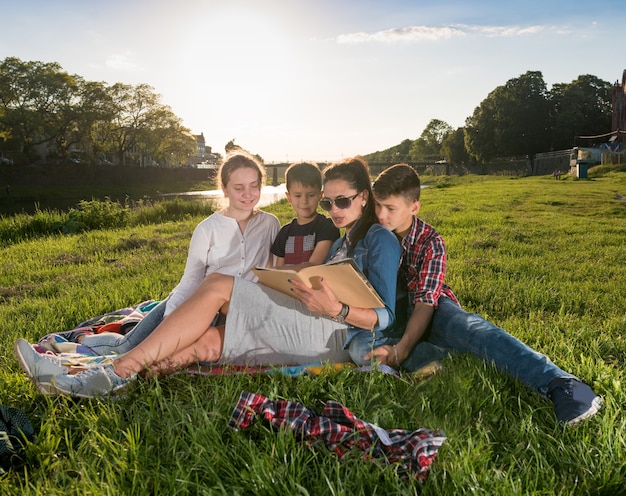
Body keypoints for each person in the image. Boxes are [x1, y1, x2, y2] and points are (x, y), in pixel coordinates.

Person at [47, 157, 401, 398]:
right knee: (206, 344)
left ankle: (119, 371)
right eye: (328, 204)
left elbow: (384, 317)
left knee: (218, 283)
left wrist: (336, 308)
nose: (333, 210)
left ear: (364, 197)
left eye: (342, 202)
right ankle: (134, 380)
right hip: (311, 321)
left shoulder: (379, 239)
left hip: (334, 335)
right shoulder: (345, 240)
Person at [355, 163, 602, 426]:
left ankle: (564, 384)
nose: (381, 215)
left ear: (414, 207)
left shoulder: (431, 242)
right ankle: (440, 361)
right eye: (377, 206)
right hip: (389, 313)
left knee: (471, 329)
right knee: (369, 346)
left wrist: (402, 350)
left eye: (390, 208)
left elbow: (426, 302)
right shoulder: (370, 232)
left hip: (430, 306)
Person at [14, 150, 280, 392]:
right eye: (239, 187)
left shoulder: (270, 224)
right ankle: (61, 356)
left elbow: (272, 271)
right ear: (224, 189)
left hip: (225, 313)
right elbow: (190, 280)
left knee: (148, 355)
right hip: (191, 303)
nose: (248, 194)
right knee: (127, 346)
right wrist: (174, 315)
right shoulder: (207, 228)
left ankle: (74, 374)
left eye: (254, 186)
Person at [271, 162, 340, 268]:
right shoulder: (284, 232)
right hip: (286, 284)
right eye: (298, 195)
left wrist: (280, 272)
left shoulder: (327, 226)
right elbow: (279, 267)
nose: (304, 201)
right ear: (289, 197)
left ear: (320, 196)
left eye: (311, 195)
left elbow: (314, 265)